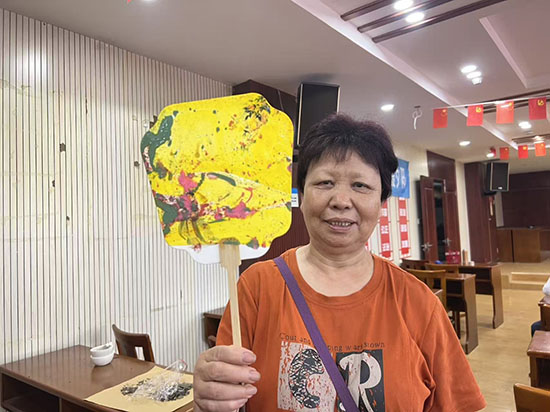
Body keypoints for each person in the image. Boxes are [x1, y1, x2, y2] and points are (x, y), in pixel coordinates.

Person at [193, 113, 486, 412]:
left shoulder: (417, 302)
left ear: (381, 203)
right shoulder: (257, 287)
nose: (341, 201)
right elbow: (229, 394)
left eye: (360, 185)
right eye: (325, 182)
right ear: (302, 196)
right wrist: (211, 398)